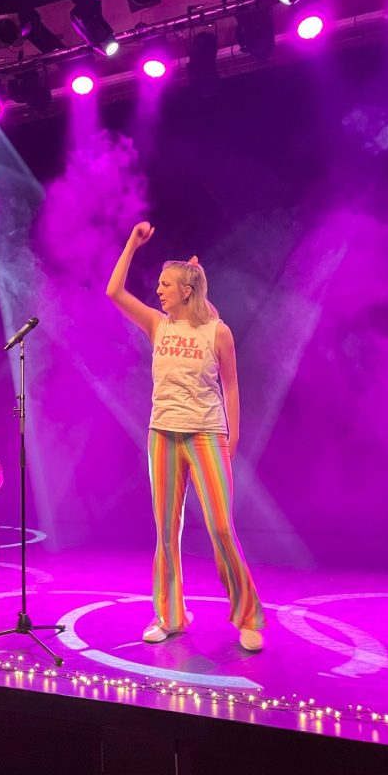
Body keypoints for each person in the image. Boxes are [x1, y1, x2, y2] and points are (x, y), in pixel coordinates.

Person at [106, 221, 265, 652]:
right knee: (165, 533)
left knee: (220, 527)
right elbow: (114, 293)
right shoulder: (158, 325)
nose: (158, 290)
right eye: (159, 284)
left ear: (187, 291)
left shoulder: (218, 332)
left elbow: (231, 386)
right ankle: (170, 615)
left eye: (166, 284)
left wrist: (232, 437)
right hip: (163, 435)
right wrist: (131, 245)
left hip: (206, 436)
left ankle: (247, 616)